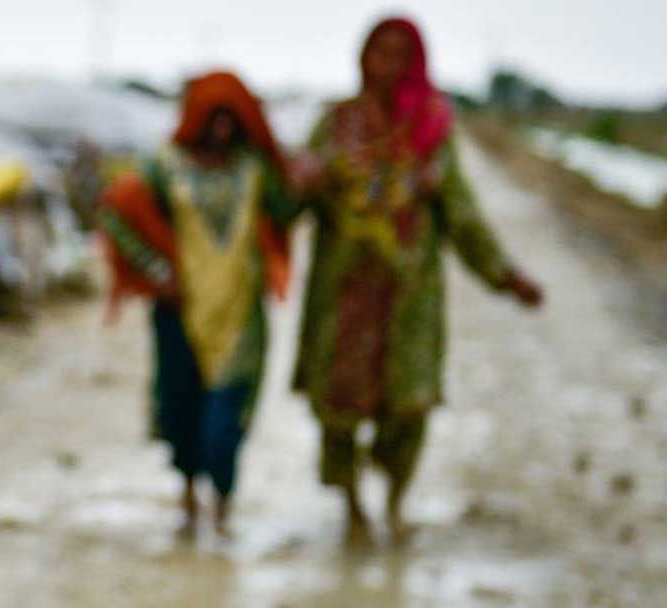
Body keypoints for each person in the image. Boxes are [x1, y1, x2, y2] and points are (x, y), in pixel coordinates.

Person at [292, 17, 543, 543]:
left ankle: (395, 498)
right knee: (337, 408)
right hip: (343, 297)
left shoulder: (431, 131)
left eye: (399, 53)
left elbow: (462, 215)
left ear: (416, 62)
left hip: (408, 300)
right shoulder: (335, 125)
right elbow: (291, 199)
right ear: (361, 58)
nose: (387, 63)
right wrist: (300, 181)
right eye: (378, 51)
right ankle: (353, 507)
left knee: (408, 407)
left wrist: (505, 276)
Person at [100, 71, 297, 537]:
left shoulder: (255, 169)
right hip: (179, 314)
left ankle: (223, 508)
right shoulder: (163, 167)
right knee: (183, 410)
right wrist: (158, 273)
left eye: (232, 117)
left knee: (225, 422)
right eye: (214, 116)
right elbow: (116, 212)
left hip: (240, 314)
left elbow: (287, 209)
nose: (222, 128)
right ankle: (189, 501)